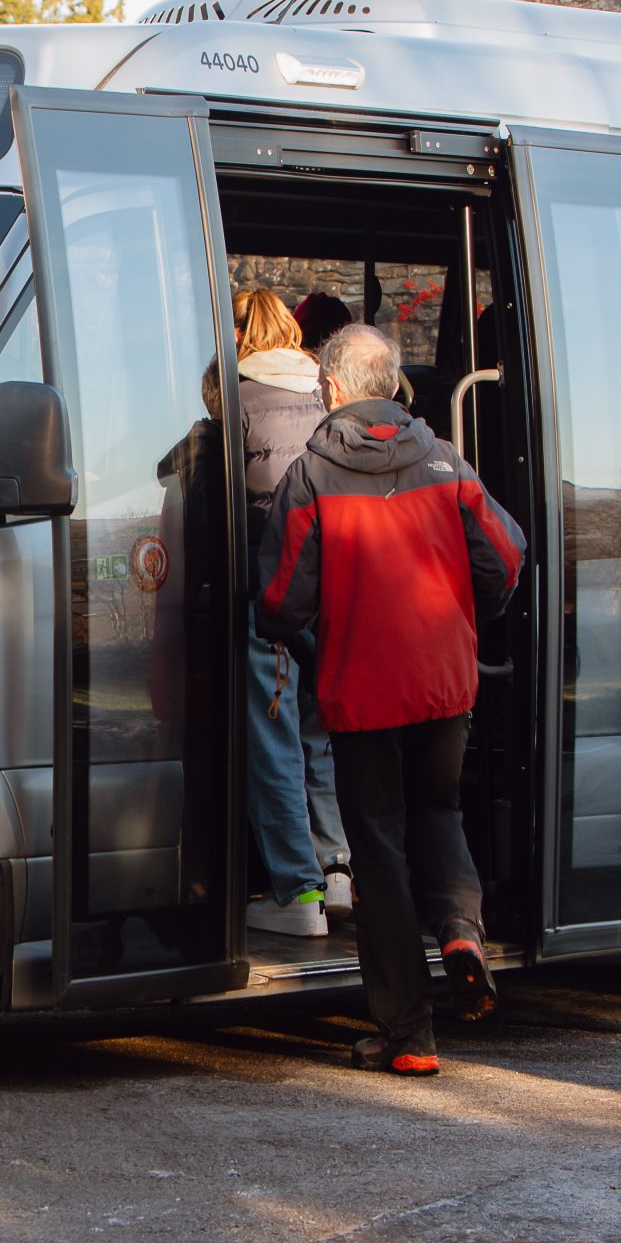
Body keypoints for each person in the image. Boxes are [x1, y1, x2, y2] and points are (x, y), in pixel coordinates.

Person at [258, 322, 523, 1075]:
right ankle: (464, 930)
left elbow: (281, 597)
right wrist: (469, 616)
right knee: (440, 810)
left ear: (333, 389)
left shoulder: (312, 475)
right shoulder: (445, 459)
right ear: (394, 383)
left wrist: (279, 625)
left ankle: (409, 1035)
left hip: (362, 689)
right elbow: (505, 554)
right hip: (444, 680)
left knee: (378, 850)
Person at [229, 287, 354, 936]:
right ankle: (336, 868)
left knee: (272, 736)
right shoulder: (328, 396)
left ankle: (296, 891)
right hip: (331, 586)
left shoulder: (235, 399)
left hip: (270, 590)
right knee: (318, 731)